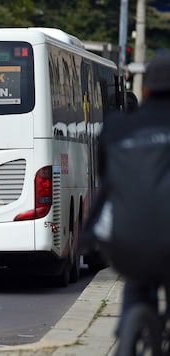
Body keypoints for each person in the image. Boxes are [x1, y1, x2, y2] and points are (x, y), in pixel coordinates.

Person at [86, 53, 170, 340]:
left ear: (145, 88)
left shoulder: (117, 126)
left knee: (137, 280)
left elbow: (106, 177)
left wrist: (87, 235)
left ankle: (127, 335)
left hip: (125, 241)